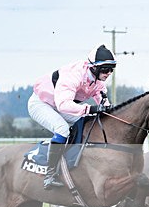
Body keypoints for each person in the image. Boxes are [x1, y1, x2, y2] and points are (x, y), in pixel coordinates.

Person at [28, 44, 116, 189]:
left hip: (60, 103)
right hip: (42, 103)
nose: (109, 73)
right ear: (94, 67)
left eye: (112, 69)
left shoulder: (98, 81)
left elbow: (104, 104)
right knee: (62, 129)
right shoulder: (73, 75)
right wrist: (91, 108)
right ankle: (49, 175)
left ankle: (77, 160)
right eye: (106, 69)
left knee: (90, 122)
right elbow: (63, 105)